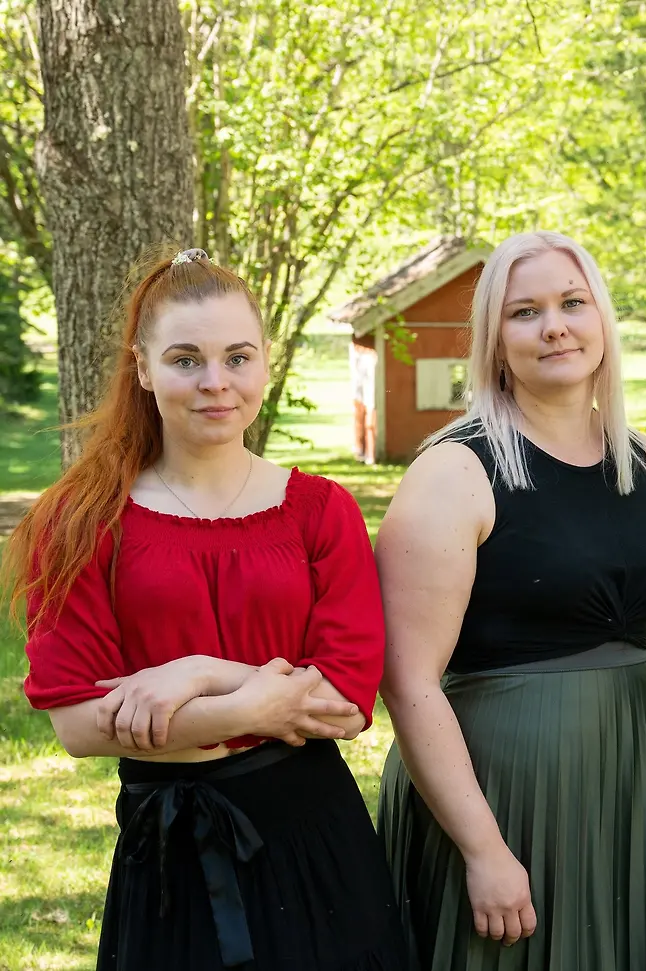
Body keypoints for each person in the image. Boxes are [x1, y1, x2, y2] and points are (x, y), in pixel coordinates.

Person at [3, 247, 409, 970]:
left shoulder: (321, 511)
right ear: (142, 367)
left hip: (316, 846)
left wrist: (197, 672)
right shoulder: (80, 521)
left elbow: (345, 704)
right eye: (185, 359)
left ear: (265, 362)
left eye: (237, 357)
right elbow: (79, 723)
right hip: (168, 858)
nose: (215, 382)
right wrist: (254, 707)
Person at [375, 231, 646, 970]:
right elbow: (406, 682)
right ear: (495, 342)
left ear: (602, 319)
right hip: (496, 797)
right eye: (525, 312)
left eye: (572, 303)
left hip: (627, 780)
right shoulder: (453, 472)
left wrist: (608, 727)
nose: (555, 326)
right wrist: (483, 847)